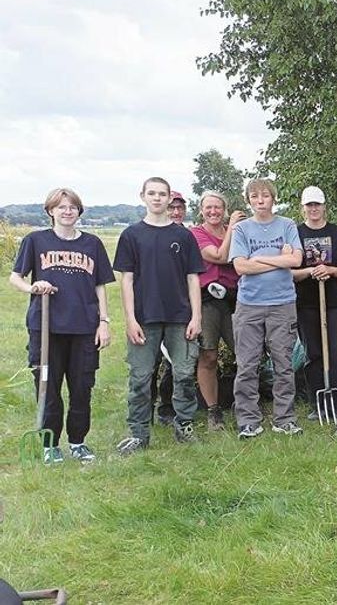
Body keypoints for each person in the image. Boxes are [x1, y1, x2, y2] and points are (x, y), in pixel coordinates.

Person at [9, 188, 115, 464]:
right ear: (50, 211)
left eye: (72, 207)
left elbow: (100, 285)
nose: (67, 212)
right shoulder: (35, 241)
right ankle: (50, 444)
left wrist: (104, 322)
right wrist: (33, 286)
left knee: (82, 387)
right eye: (61, 207)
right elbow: (15, 277)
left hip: (84, 327)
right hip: (46, 328)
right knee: (48, 385)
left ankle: (78, 441)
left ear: (79, 211)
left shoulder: (92, 244)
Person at [114, 178, 205, 454]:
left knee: (185, 374)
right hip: (144, 317)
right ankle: (139, 433)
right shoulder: (131, 235)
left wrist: (196, 317)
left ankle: (184, 426)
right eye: (151, 193)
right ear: (142, 196)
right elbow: (126, 281)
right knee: (141, 378)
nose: (157, 198)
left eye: (162, 194)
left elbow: (193, 279)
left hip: (180, 316)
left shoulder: (183, 236)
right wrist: (130, 318)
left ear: (169, 199)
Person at [229, 178, 304, 438]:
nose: (260, 201)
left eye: (265, 196)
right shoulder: (241, 229)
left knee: (284, 364)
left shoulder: (287, 225)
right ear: (248, 200)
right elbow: (240, 266)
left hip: (282, 304)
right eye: (254, 196)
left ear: (273, 198)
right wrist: (278, 260)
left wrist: (259, 258)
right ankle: (248, 419)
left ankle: (284, 419)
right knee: (247, 364)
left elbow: (296, 259)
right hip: (249, 304)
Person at [292, 186, 337, 420]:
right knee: (313, 353)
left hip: (335, 303)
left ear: (324, 206)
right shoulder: (295, 234)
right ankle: (318, 402)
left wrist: (330, 270)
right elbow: (289, 271)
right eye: (309, 205)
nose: (313, 208)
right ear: (303, 208)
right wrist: (309, 272)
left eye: (317, 204)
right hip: (307, 304)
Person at [189, 190, 245, 431]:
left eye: (218, 208)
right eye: (208, 207)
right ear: (202, 210)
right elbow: (220, 256)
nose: (213, 212)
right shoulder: (196, 234)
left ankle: (245, 404)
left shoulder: (237, 231)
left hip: (235, 299)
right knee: (209, 355)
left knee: (245, 353)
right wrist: (233, 226)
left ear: (225, 209)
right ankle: (213, 410)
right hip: (207, 300)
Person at [152, 190, 190, 425]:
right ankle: (150, 411)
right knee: (151, 363)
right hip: (154, 308)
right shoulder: (151, 234)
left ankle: (172, 407)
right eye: (172, 207)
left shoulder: (186, 236)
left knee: (177, 362)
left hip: (181, 308)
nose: (176, 212)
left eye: (180, 208)